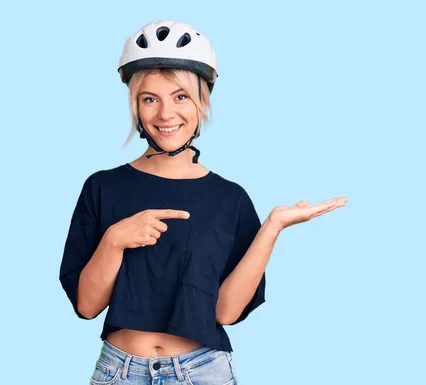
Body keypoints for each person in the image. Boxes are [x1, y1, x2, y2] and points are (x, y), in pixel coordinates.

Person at [58, 20, 348, 385]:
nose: (166, 114)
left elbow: (226, 312)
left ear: (202, 101)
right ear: (135, 104)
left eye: (180, 96)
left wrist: (273, 226)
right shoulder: (102, 187)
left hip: (202, 372)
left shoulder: (230, 198)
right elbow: (86, 306)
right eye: (150, 99)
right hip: (120, 372)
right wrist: (115, 239)